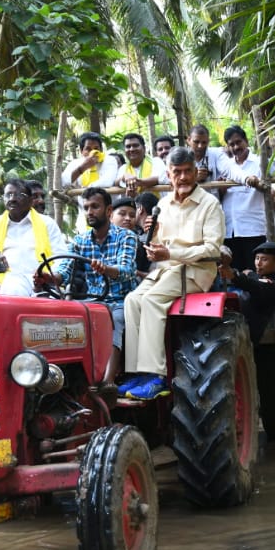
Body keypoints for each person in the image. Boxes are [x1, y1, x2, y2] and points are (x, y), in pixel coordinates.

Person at [121, 146, 225, 401]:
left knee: (151, 301)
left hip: (196, 272)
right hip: (166, 270)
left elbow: (213, 248)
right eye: (176, 172)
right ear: (168, 174)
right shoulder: (163, 205)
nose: (183, 177)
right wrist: (152, 240)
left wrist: (170, 253)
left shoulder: (210, 204)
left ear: (196, 172)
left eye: (188, 171)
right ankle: (137, 373)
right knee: (132, 300)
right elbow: (158, 245)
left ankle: (156, 377)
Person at [40, 188, 138, 388]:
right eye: (86, 208)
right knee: (61, 321)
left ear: (108, 210)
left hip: (119, 300)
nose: (89, 212)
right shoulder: (80, 241)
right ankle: (62, 380)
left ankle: (107, 383)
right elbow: (64, 273)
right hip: (91, 301)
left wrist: (107, 269)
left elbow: (127, 270)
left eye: (95, 206)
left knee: (115, 320)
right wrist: (48, 278)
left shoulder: (126, 237)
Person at [220, 241, 275, 440]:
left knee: (270, 393)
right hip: (250, 342)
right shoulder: (256, 278)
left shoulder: (273, 284)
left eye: (265, 259)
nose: (259, 263)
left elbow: (258, 288)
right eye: (257, 258)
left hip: (265, 347)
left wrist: (236, 275)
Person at [0, 178, 69, 296]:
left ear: (30, 200)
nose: (12, 199)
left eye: (18, 195)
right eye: (8, 195)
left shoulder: (47, 223)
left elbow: (61, 257)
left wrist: (50, 277)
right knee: (14, 286)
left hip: (44, 284)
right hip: (8, 284)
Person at [217, 125, 269, 273]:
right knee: (234, 273)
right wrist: (222, 189)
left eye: (238, 142)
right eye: (231, 144)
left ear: (246, 141)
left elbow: (274, 186)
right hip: (230, 229)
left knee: (255, 273)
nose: (236, 147)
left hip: (253, 228)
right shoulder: (226, 167)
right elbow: (218, 197)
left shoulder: (260, 163)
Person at [63, 131, 119, 196]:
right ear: (82, 151)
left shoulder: (109, 160)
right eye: (88, 149)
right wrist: (82, 167)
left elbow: (107, 182)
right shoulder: (75, 163)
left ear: (101, 150)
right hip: (84, 205)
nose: (93, 152)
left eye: (96, 148)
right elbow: (64, 182)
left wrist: (88, 188)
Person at [187, 124, 224, 197]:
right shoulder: (181, 157)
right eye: (196, 142)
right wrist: (194, 179)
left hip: (212, 204)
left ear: (208, 141)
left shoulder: (216, 154)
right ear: (188, 140)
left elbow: (229, 170)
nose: (200, 146)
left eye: (204, 142)